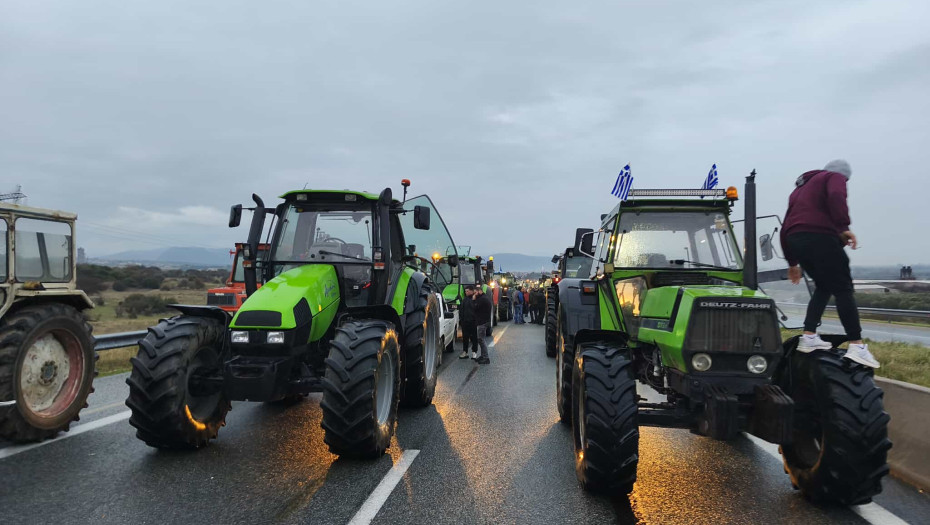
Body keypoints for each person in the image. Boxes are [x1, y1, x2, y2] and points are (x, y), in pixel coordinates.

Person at [781, 159, 879, 368]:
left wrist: (792, 262)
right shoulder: (833, 177)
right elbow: (836, 195)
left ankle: (808, 337)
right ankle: (857, 345)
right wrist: (843, 227)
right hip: (819, 236)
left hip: (795, 239)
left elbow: (786, 225)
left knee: (824, 286)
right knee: (843, 288)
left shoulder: (799, 190)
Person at [473, 287, 493, 364]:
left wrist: (474, 300)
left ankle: (485, 357)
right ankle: (483, 355)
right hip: (483, 321)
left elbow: (475, 308)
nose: (475, 294)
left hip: (482, 322)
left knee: (481, 340)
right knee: (481, 340)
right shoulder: (483, 298)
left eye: (475, 292)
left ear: (480, 291)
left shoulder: (482, 299)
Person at [459, 286, 478, 359]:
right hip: (465, 322)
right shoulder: (464, 299)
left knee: (474, 338)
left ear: (472, 291)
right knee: (465, 337)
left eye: (467, 291)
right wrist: (461, 319)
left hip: (473, 322)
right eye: (465, 291)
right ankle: (465, 352)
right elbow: (461, 309)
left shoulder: (475, 299)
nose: (466, 292)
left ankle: (474, 352)